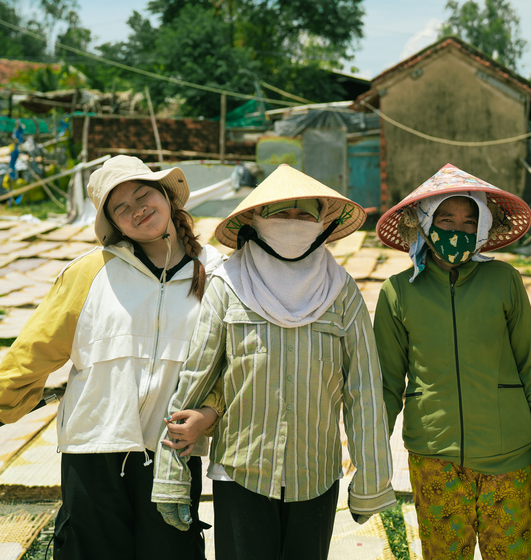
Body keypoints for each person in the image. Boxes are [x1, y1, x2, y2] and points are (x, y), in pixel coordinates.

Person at [0, 155, 226, 560]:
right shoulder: (90, 272)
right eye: (121, 207)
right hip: (93, 446)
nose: (137, 209)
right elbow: (37, 346)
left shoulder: (216, 273)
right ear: (113, 223)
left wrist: (210, 412)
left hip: (173, 448)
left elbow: (235, 362)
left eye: (143, 194)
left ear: (167, 198)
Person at [151, 164, 397, 560]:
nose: (293, 223)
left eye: (305, 215)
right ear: (256, 220)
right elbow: (194, 380)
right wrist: (171, 477)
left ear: (322, 225)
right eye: (281, 213)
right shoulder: (228, 285)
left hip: (315, 475)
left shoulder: (341, 291)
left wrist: (372, 480)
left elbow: (364, 391)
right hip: (240, 472)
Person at [373, 163, 531, 560]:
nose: (457, 230)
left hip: (508, 458)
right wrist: (372, 454)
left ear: (481, 229)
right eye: (446, 218)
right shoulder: (396, 293)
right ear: (425, 222)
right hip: (434, 459)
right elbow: (387, 385)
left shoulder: (506, 281)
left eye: (468, 220)